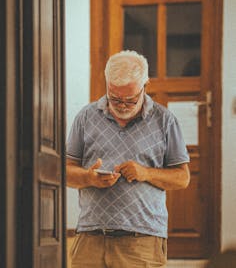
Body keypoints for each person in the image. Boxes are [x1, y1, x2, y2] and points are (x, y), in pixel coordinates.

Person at [66, 50, 190, 268]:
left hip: (141, 241)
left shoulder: (165, 120)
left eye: (130, 99)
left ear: (145, 86)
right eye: (114, 98)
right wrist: (89, 178)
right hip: (90, 238)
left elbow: (182, 178)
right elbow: (65, 173)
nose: (121, 105)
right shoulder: (85, 118)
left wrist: (146, 173)